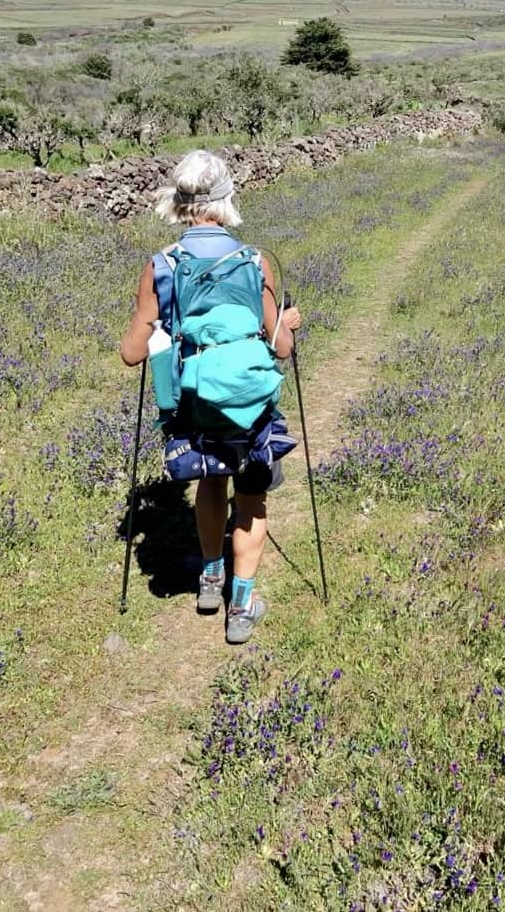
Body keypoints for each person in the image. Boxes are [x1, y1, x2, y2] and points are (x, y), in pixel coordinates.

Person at [120, 149, 301, 644]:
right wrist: (284, 323)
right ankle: (241, 606)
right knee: (252, 500)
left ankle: (209, 577)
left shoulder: (162, 264)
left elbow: (132, 354)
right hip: (249, 406)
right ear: (226, 200)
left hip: (192, 404)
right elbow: (280, 349)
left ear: (179, 203)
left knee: (209, 482)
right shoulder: (253, 260)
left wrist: (157, 322)